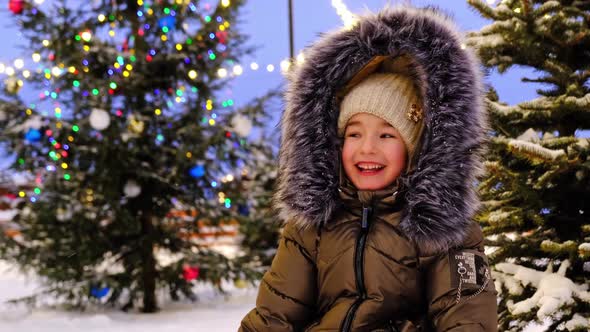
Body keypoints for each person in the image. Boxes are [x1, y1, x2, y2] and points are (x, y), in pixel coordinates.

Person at [240, 5, 498, 332]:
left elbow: (468, 319)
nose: (367, 148)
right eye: (354, 133)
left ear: (415, 148)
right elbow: (273, 316)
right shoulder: (311, 228)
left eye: (387, 134)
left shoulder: (444, 233)